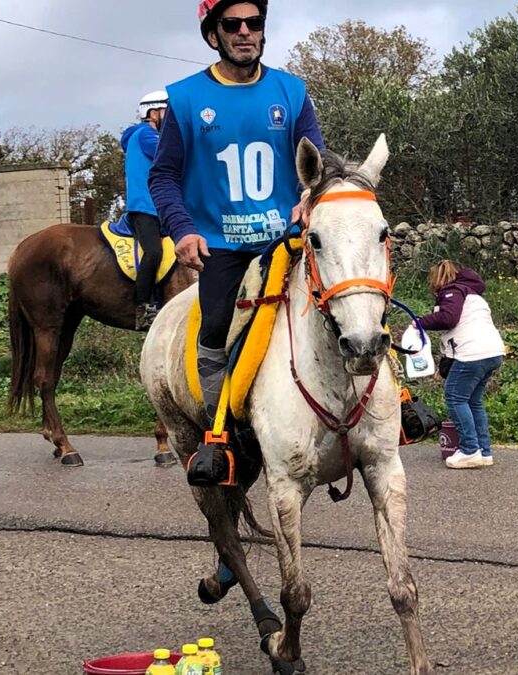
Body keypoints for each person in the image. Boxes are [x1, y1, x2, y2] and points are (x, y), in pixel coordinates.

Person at [149, 0, 325, 486]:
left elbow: (317, 158)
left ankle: (391, 405)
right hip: (221, 245)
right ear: (213, 35)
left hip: (285, 239)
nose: (245, 32)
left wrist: (309, 195)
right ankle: (220, 433)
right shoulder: (185, 99)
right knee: (217, 326)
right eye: (233, 24)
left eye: (254, 23)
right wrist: (182, 230)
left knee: (349, 293)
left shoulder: (291, 91)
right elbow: (163, 176)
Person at [416, 261, 506, 469]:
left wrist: (420, 322)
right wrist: (444, 366)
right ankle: (484, 451)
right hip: (492, 352)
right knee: (473, 401)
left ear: (438, 279)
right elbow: (458, 333)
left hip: (472, 353)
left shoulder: (451, 292)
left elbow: (449, 319)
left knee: (455, 397)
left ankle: (469, 450)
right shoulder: (473, 294)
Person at [121, 90, 169, 330]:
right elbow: (171, 156)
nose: (170, 118)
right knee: (154, 253)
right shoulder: (146, 135)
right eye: (166, 112)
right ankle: (143, 307)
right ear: (153, 113)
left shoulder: (147, 135)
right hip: (145, 208)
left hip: (159, 208)